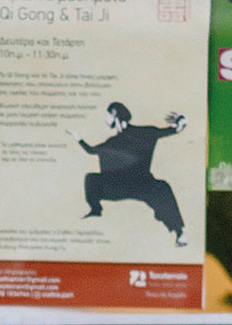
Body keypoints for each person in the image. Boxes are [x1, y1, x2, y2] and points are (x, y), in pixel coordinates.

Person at [77, 102, 188, 243]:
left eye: (108, 115)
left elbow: (90, 150)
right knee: (92, 179)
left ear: (114, 115)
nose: (106, 119)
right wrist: (78, 138)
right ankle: (95, 211)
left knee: (162, 188)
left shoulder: (136, 135)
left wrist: (77, 138)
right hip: (128, 185)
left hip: (136, 185)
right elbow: (91, 150)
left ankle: (179, 233)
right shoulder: (118, 139)